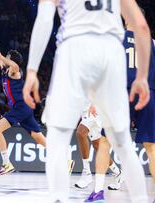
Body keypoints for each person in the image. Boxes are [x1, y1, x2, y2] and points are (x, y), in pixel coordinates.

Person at [23, 0, 151, 202]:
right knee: (123, 142)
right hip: (111, 52)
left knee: (57, 138)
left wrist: (31, 70)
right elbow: (141, 26)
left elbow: (45, 19)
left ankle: (58, 197)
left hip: (75, 48)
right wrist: (142, 76)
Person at [84, 18, 155, 202]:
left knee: (106, 142)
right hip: (147, 93)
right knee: (152, 147)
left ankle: (98, 191)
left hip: (121, 92)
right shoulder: (151, 41)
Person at [0, 17, 46, 176]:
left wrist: (2, 57)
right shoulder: (5, 69)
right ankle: (65, 160)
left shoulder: (15, 71)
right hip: (23, 109)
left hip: (21, 107)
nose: (4, 58)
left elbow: (14, 64)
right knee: (39, 139)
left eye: (7, 57)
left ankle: (7, 164)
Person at [74, 104, 122, 189]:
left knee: (80, 133)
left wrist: (94, 102)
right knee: (98, 147)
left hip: (95, 105)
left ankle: (86, 173)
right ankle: (118, 173)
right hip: (86, 108)